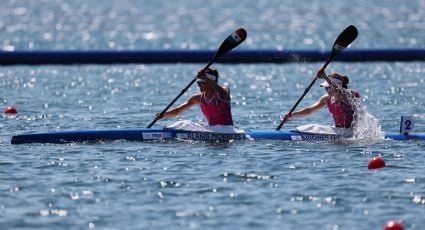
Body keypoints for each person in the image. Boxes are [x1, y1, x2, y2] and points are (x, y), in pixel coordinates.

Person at [155, 68, 234, 126]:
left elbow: (223, 93)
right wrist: (163, 115)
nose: (198, 86)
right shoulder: (197, 98)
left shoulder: (224, 91)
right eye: (198, 83)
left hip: (227, 130)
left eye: (200, 83)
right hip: (213, 130)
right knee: (184, 124)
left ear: (209, 82)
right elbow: (178, 111)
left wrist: (205, 78)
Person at [284, 69, 360, 129]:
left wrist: (326, 77)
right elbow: (310, 110)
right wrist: (292, 115)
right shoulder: (326, 98)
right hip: (339, 129)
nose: (327, 89)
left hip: (352, 130)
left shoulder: (347, 94)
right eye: (326, 87)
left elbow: (338, 89)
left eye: (329, 87)